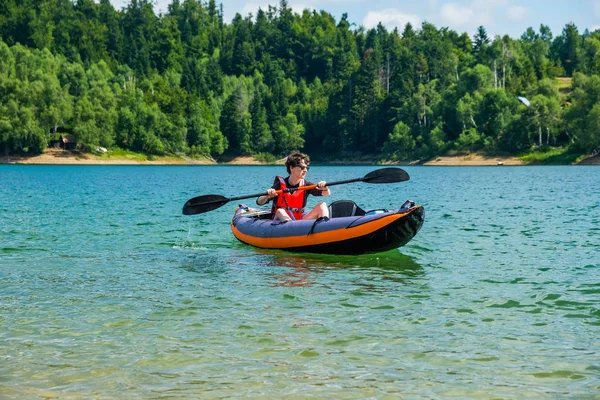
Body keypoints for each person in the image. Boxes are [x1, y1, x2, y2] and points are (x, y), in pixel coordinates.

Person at [257, 152, 330, 221]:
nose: (305, 170)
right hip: (280, 221)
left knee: (322, 205)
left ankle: (325, 228)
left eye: (306, 168)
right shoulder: (280, 185)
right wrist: (267, 195)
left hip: (298, 221)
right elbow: (259, 202)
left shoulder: (306, 185)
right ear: (291, 168)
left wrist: (325, 188)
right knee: (280, 211)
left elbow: (326, 194)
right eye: (302, 167)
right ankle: (291, 229)